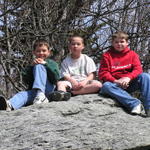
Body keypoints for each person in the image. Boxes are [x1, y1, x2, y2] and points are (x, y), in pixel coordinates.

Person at [98, 31, 150, 117]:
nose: (119, 44)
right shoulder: (107, 55)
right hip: (114, 85)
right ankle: (135, 103)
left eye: (122, 41)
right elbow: (103, 73)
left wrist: (128, 78)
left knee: (146, 76)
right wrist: (116, 81)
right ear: (112, 43)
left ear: (127, 43)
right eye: (116, 42)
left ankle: (148, 108)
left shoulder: (132, 54)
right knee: (106, 86)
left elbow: (138, 69)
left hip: (129, 83)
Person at [0, 39, 60, 111]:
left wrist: (46, 65)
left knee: (39, 66)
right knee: (22, 94)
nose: (41, 53)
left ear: (49, 52)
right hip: (35, 94)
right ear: (34, 52)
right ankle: (9, 105)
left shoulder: (52, 63)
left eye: (44, 51)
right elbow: (27, 81)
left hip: (49, 90)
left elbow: (56, 78)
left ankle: (41, 96)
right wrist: (31, 67)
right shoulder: (32, 65)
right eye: (38, 51)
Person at [49, 35, 102, 101]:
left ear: (83, 46)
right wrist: (73, 82)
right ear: (69, 46)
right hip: (71, 84)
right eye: (73, 44)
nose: (75, 46)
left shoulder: (87, 59)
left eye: (78, 44)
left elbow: (91, 75)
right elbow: (66, 76)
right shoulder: (66, 61)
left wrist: (84, 82)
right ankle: (62, 94)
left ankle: (73, 93)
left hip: (85, 83)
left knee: (98, 85)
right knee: (60, 84)